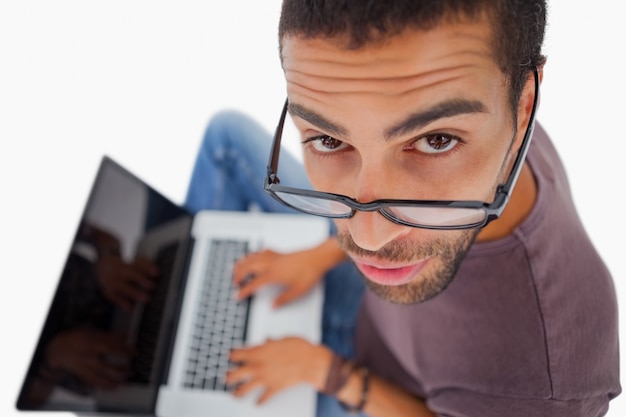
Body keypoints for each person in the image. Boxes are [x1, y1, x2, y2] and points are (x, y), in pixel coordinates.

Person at [189, 1, 621, 416]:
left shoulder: (544, 388)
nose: (365, 239)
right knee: (225, 138)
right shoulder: (484, 108)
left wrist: (323, 371)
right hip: (366, 309)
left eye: (436, 141)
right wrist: (319, 256)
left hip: (369, 385)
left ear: (524, 105)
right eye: (329, 139)